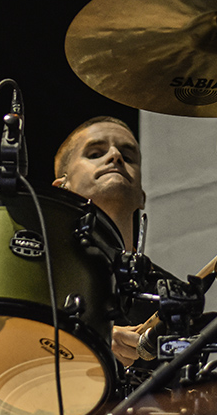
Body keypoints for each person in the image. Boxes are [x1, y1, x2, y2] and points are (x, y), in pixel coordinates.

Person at [51, 115, 149, 367]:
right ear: (62, 187)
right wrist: (92, 340)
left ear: (142, 196)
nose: (115, 156)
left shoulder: (166, 292)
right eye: (95, 153)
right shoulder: (41, 275)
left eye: (128, 157)